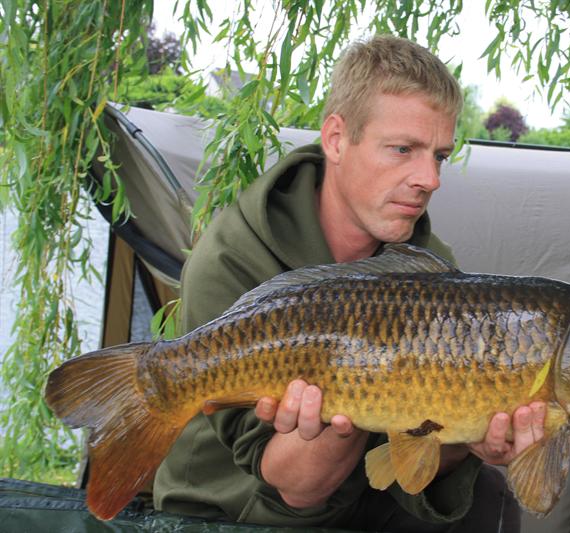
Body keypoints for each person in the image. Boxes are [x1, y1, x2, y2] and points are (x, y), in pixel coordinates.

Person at [153, 34, 547, 532]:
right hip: (237, 504)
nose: (430, 179)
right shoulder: (232, 255)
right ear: (337, 139)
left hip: (361, 494)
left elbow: (413, 458)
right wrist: (348, 402)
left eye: (439, 156)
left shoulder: (428, 269)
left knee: (487, 495)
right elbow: (295, 488)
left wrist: (470, 440)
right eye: (403, 149)